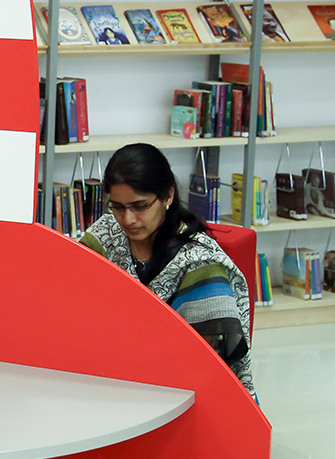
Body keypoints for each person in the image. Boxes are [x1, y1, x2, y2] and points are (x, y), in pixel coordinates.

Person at [80, 142, 255, 397]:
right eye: (117, 206)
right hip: (108, 377)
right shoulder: (106, 233)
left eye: (140, 206)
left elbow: (211, 362)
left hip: (179, 392)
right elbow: (73, 304)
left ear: (168, 197)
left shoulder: (200, 262)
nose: (128, 219)